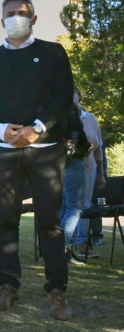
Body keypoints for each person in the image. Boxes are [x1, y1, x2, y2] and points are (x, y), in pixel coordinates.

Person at [0, 0, 74, 321]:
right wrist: (2, 131)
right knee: (6, 222)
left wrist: (37, 129)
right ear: (2, 21)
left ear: (33, 19)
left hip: (47, 153)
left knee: (50, 223)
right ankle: (8, 287)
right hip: (4, 155)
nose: (17, 17)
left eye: (23, 12)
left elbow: (63, 99)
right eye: (11, 13)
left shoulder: (53, 53)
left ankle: (57, 291)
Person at [74, 90, 106, 257]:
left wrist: (101, 173)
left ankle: (82, 244)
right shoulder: (62, 117)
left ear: (79, 96)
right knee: (69, 206)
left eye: (75, 93)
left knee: (85, 205)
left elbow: (99, 147)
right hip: (68, 168)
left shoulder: (91, 119)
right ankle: (64, 245)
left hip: (89, 168)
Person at [59, 99, 91, 265]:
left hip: (58, 161)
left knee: (65, 207)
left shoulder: (48, 106)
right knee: (75, 208)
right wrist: (86, 147)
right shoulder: (69, 107)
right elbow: (79, 132)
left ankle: (65, 250)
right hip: (72, 160)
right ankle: (62, 248)